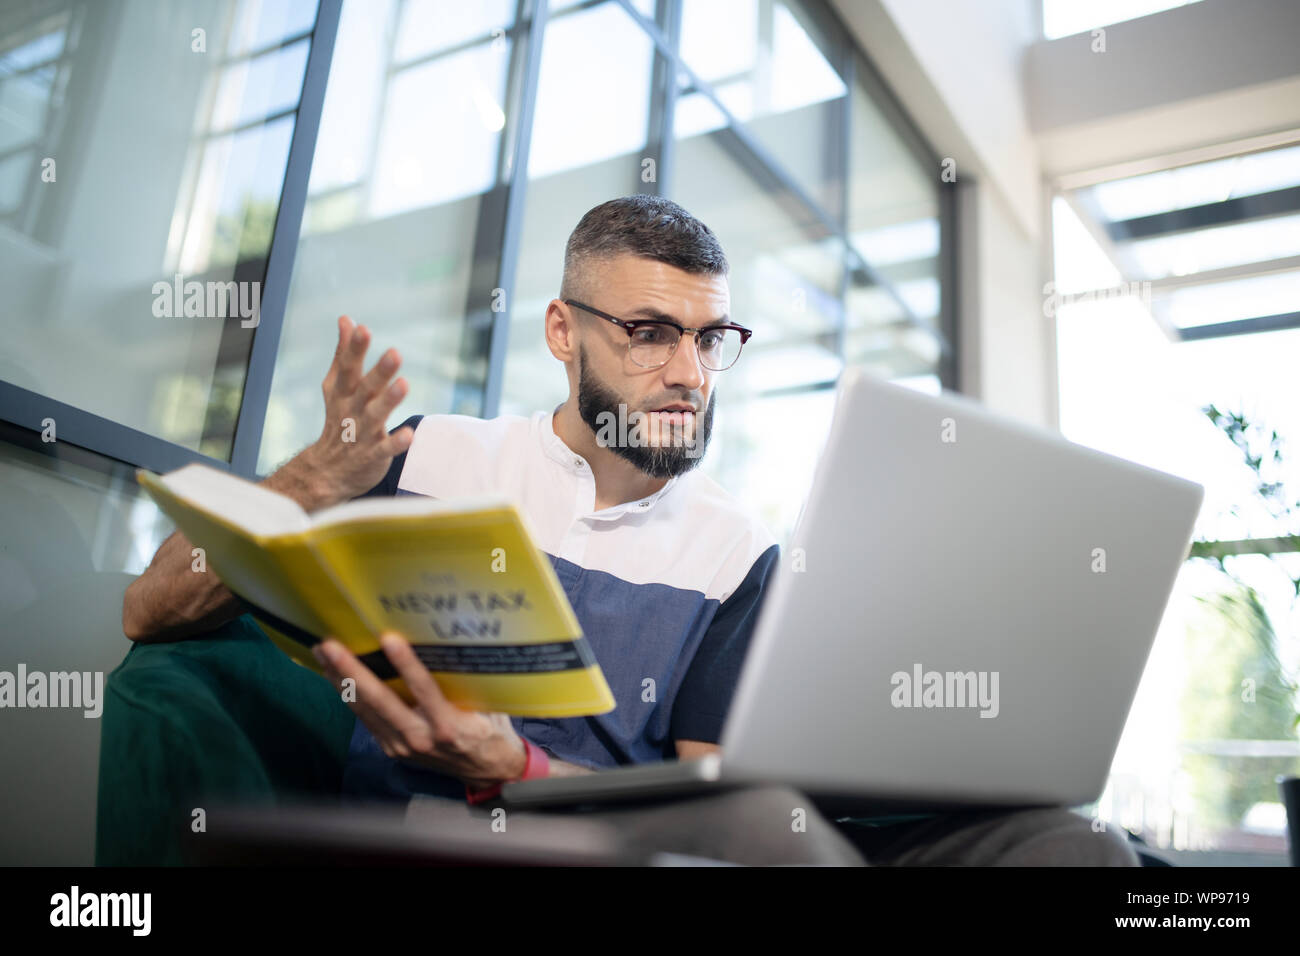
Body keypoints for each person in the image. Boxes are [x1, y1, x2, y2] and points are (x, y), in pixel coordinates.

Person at [123, 195, 1137, 866]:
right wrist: (315, 477)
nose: (689, 372)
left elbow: (701, 807)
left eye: (710, 338)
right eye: (649, 332)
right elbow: (151, 604)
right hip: (426, 831)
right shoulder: (430, 457)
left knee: (1070, 847)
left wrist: (510, 765)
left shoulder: (734, 551)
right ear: (564, 332)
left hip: (610, 842)